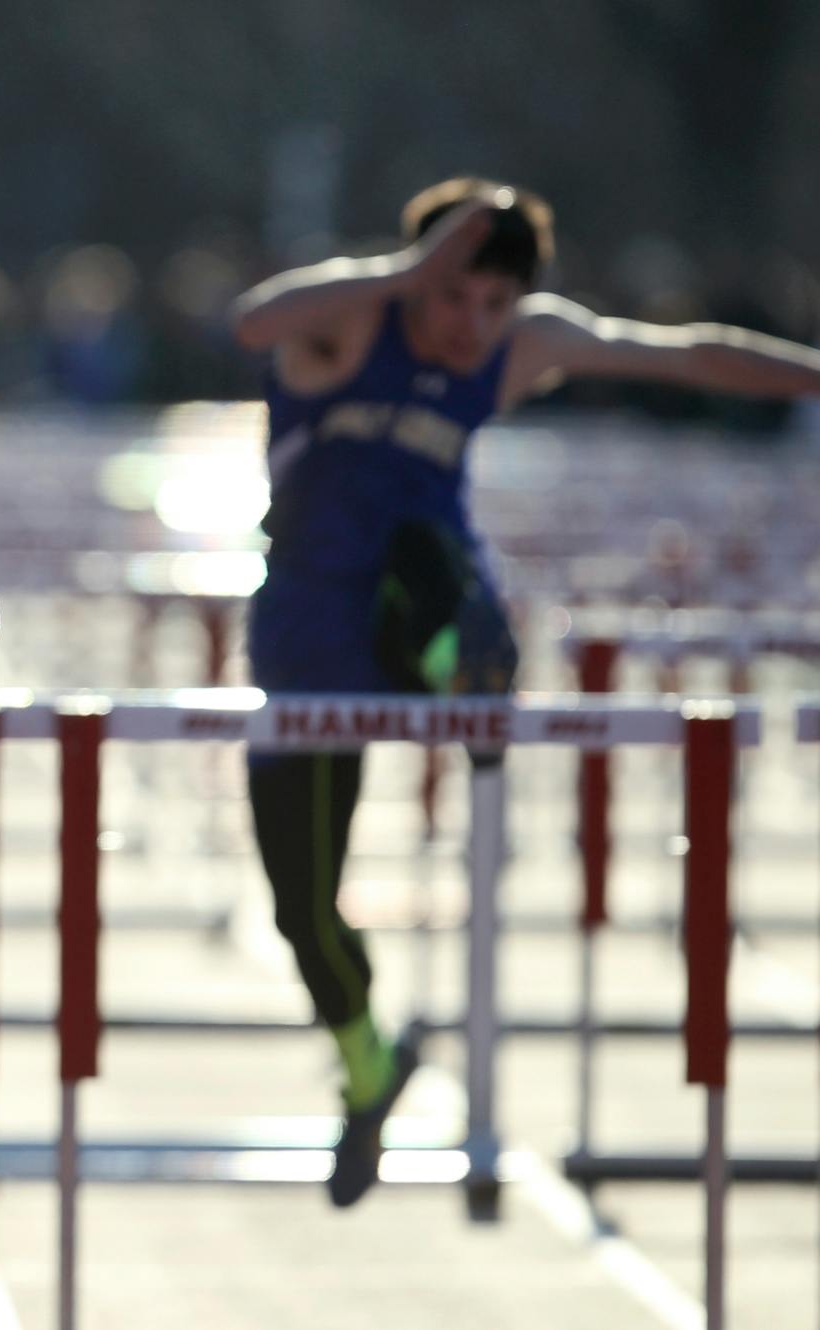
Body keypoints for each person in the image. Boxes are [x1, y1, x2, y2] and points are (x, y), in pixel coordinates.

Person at [230, 177, 820, 1207]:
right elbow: (254, 321)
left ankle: (475, 668)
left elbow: (684, 353)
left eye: (494, 305)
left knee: (425, 547)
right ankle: (367, 1062)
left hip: (429, 605)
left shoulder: (524, 344)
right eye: (454, 299)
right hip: (310, 633)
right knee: (300, 905)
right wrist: (405, 273)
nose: (473, 326)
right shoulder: (350, 324)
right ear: (417, 280)